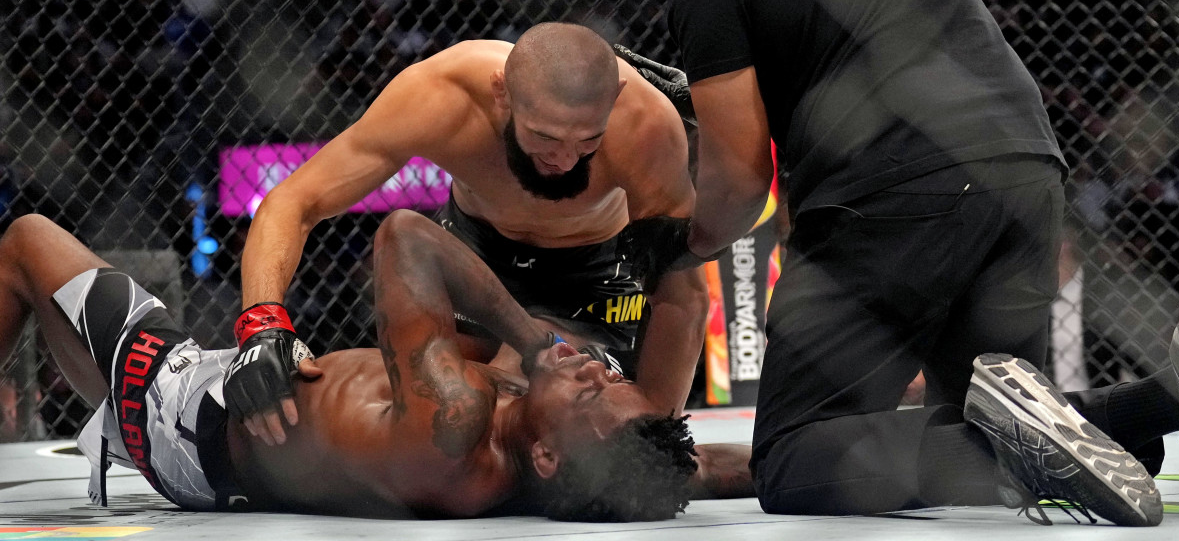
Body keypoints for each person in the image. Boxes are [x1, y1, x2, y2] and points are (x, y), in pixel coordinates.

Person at [588, 0, 1179, 525]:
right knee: (1010, 432)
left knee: (795, 456)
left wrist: (672, 247)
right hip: (1022, 171)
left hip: (895, 195)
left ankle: (1153, 401)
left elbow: (738, 182)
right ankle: (1166, 401)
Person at [0, 211, 717, 520]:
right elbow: (694, 463)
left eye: (594, 397)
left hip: (188, 416)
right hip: (236, 411)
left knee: (27, 245)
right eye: (613, 378)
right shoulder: (579, 463)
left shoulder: (457, 423)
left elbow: (405, 237)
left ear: (552, 457)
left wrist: (531, 341)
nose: (596, 373)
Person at [229, 22, 708, 446]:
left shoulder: (646, 126)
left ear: (616, 99)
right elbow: (294, 202)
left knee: (591, 431)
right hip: (475, 259)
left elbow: (682, 297)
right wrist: (262, 326)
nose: (565, 160)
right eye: (544, 136)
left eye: (588, 141)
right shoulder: (440, 96)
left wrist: (656, 442)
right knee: (432, 411)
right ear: (502, 93)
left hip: (596, 274)